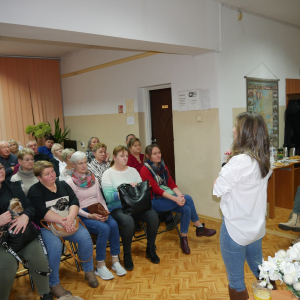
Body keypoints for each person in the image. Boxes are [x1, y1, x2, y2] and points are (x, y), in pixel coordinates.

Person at [213, 112, 272, 300]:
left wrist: (227, 166)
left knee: (236, 280)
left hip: (235, 230)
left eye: (236, 127)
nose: (232, 129)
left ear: (245, 133)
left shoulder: (239, 162)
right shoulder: (264, 159)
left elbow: (217, 189)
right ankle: (276, 296)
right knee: (261, 270)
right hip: (255, 229)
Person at [27, 161, 98, 299]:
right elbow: (42, 211)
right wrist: (63, 221)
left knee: (85, 237)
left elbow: (74, 201)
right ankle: (53, 283)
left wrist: (71, 217)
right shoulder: (34, 191)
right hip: (46, 226)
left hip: (68, 222)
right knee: (55, 246)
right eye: (47, 174)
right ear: (39, 178)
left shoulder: (62, 184)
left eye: (52, 171)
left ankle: (89, 271)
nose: (52, 175)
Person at [140, 145, 216, 255]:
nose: (158, 155)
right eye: (154, 153)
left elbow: (171, 183)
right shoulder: (144, 169)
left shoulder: (162, 167)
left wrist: (179, 196)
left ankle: (184, 238)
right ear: (148, 156)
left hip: (166, 199)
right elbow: (156, 189)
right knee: (188, 198)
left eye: (159, 152)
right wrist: (176, 199)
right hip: (154, 201)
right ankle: (199, 228)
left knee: (186, 208)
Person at [67, 151, 127, 281]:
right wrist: (90, 216)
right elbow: (73, 206)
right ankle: (100, 265)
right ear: (73, 165)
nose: (84, 166)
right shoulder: (69, 182)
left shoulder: (92, 177)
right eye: (80, 163)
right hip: (82, 213)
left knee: (113, 224)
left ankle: (115, 261)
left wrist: (105, 211)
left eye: (85, 162)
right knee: (104, 229)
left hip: (97, 208)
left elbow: (100, 197)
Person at [0, 163, 54, 300]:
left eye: (0, 168)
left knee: (39, 258)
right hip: (1, 241)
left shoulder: (11, 186)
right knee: (8, 267)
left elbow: (29, 206)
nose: (0, 171)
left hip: (19, 234)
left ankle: (45, 294)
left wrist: (25, 216)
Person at [102, 145, 160, 271]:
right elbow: (108, 198)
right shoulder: (108, 174)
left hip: (135, 205)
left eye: (127, 156)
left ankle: (150, 248)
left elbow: (142, 191)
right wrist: (126, 190)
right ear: (114, 157)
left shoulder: (133, 171)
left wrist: (136, 188)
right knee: (128, 221)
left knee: (153, 216)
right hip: (117, 207)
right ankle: (127, 254)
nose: (125, 158)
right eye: (122, 156)